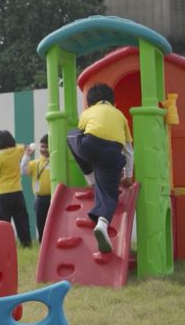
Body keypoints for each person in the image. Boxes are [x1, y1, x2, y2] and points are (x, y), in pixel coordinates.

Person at [67, 83, 134, 253]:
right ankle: (102, 224)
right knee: (109, 194)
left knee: (72, 134)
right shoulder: (120, 116)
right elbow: (128, 150)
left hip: (89, 146)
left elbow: (81, 132)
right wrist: (128, 175)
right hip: (113, 153)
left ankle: (90, 178)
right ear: (113, 102)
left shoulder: (87, 113)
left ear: (89, 103)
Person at [0, 130, 32, 248]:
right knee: (21, 219)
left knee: (3, 221)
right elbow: (27, 147)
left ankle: (5, 244)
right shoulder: (17, 150)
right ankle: (26, 243)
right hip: (17, 191)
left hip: (3, 193)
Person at [21, 134, 52, 242]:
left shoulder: (56, 162)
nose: (43, 149)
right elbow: (24, 170)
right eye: (42, 146)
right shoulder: (36, 163)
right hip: (40, 199)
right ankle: (42, 244)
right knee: (41, 223)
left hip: (54, 198)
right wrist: (27, 155)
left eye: (46, 147)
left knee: (54, 223)